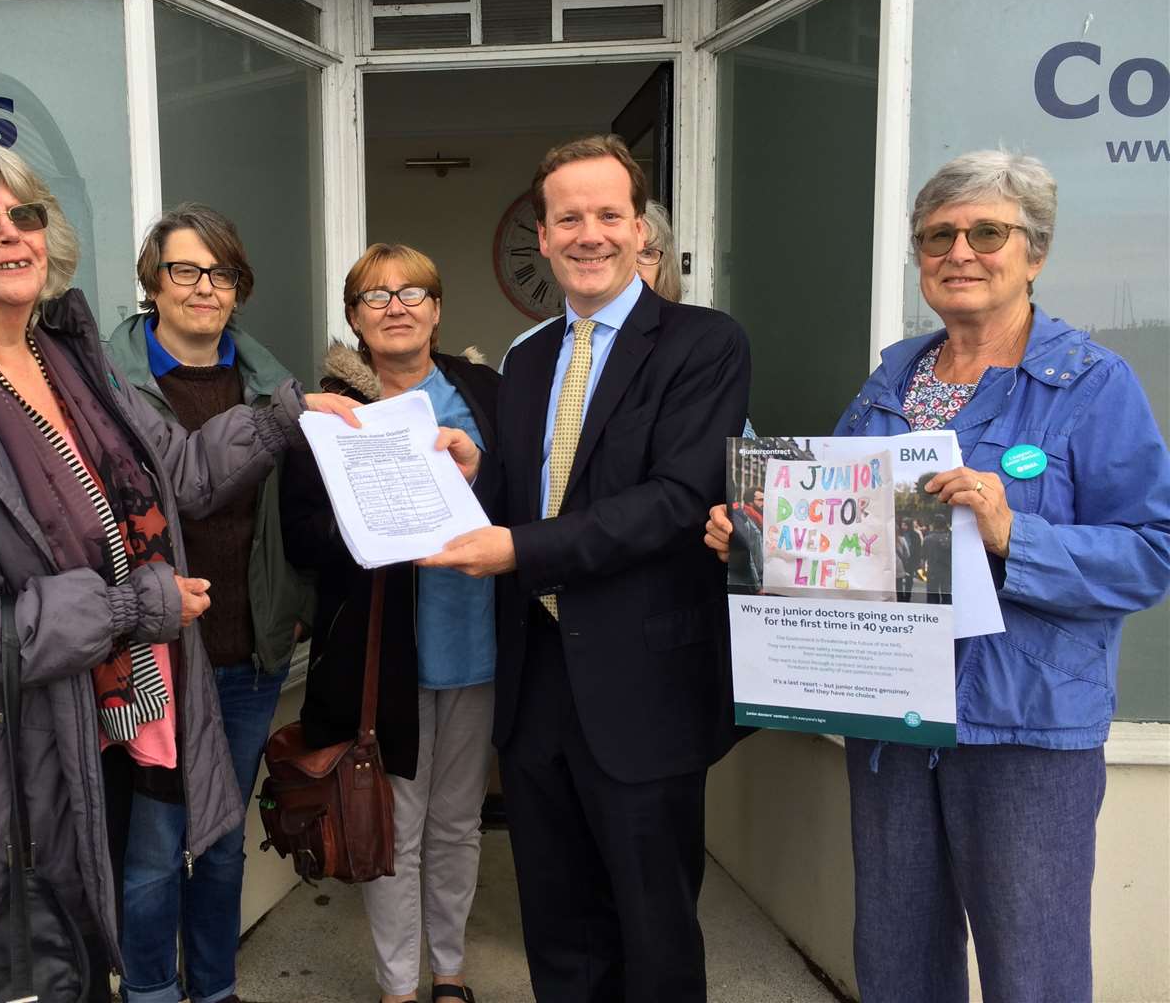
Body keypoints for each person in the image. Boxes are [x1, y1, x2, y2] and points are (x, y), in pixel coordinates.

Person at [0, 140, 357, 1001]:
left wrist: (292, 414)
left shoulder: (68, 358)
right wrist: (133, 607)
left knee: (80, 957)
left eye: (24, 214)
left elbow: (180, 475)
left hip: (107, 725)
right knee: (5, 970)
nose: (10, 235)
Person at [706, 150, 1170, 1003]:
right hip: (892, 714)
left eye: (986, 232)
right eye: (936, 236)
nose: (960, 251)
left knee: (1031, 966)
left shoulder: (1092, 385)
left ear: (1034, 252)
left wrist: (1011, 533)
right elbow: (852, 536)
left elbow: (1151, 553)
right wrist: (763, 537)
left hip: (1024, 725)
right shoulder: (893, 382)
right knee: (897, 958)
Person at [422, 134, 752, 1000]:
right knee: (559, 932)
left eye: (609, 214)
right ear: (542, 234)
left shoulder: (703, 344)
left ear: (641, 232)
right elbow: (529, 496)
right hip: (537, 692)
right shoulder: (530, 358)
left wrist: (517, 550)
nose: (589, 233)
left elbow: (676, 499)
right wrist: (472, 471)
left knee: (655, 934)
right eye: (569, 217)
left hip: (645, 690)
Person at [106, 205, 315, 1003]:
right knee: (155, 845)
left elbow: (299, 513)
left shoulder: (272, 382)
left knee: (223, 841)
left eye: (219, 272)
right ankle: (152, 991)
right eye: (184, 270)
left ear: (239, 288)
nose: (203, 287)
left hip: (246, 652)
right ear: (152, 283)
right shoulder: (107, 385)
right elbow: (185, 483)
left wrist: (291, 604)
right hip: (151, 652)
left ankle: (216, 989)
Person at [280, 243, 499, 1003]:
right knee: (393, 829)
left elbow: (530, 504)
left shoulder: (487, 394)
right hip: (382, 656)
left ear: (437, 311)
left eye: (413, 292)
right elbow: (300, 535)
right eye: (375, 296)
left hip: (478, 645)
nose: (396, 306)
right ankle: (398, 986)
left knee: (458, 823)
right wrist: (369, 513)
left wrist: (481, 471)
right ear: (353, 319)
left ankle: (450, 973)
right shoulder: (328, 412)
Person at [502, 197, 679, 363]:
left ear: (664, 267)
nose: (630, 267)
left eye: (646, 254)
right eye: (614, 254)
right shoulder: (525, 349)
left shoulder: (692, 339)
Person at [921, 516, 952, 604]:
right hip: (947, 570)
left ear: (934, 524)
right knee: (947, 594)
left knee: (932, 594)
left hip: (933, 570)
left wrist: (923, 570)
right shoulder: (951, 538)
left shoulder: (928, 539)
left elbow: (923, 557)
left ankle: (934, 614)